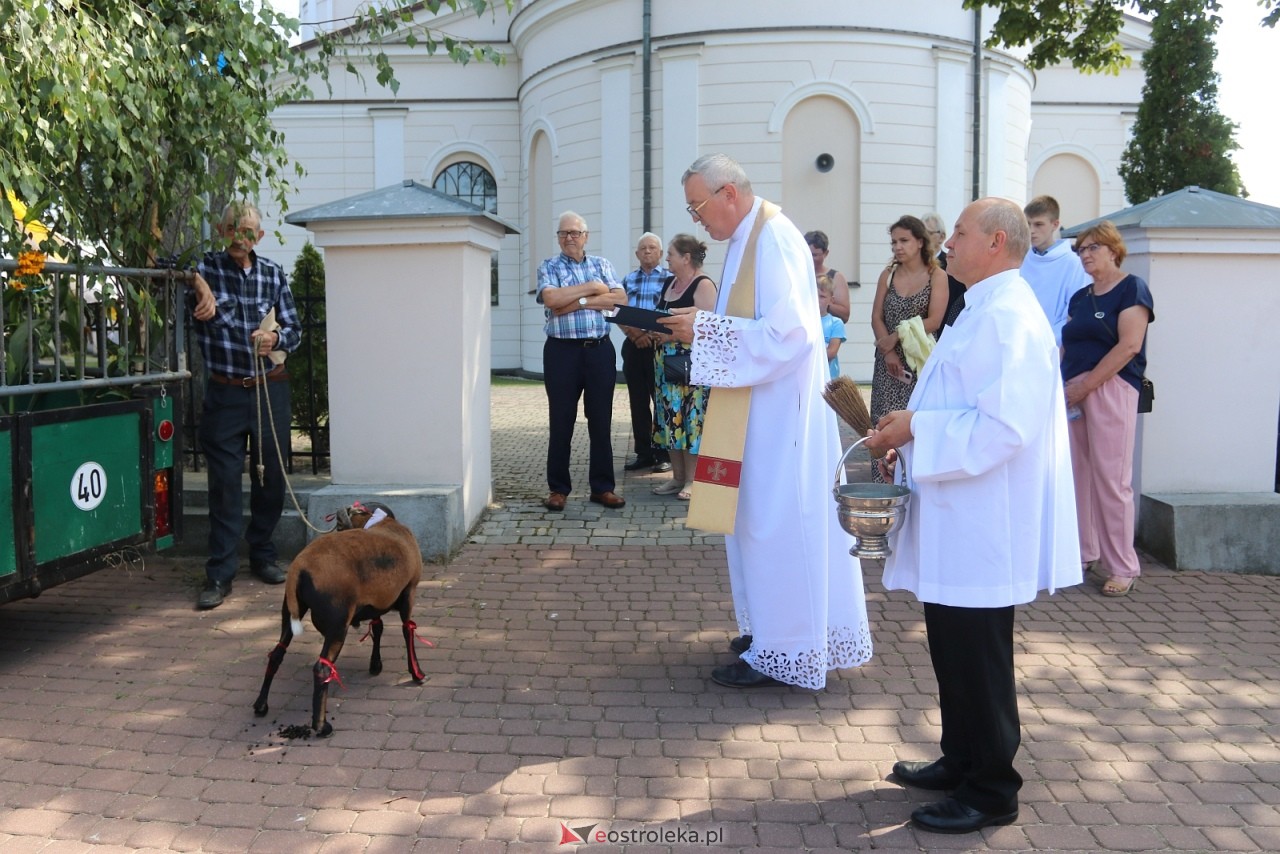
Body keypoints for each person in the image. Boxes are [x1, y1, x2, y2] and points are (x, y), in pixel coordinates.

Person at [865, 197, 1080, 834]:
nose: (947, 243)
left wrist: (916, 430)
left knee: (979, 658)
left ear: (996, 243)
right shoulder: (982, 306)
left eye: (959, 233)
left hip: (984, 519)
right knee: (952, 646)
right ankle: (961, 758)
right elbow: (954, 398)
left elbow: (1005, 427)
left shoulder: (1010, 316)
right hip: (958, 508)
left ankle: (991, 789)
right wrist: (908, 436)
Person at [659, 153, 872, 690]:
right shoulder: (745, 239)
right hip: (756, 411)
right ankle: (771, 634)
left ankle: (788, 648)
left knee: (779, 528)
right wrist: (703, 326)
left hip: (781, 420)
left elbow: (791, 335)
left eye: (698, 207)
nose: (696, 220)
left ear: (728, 193)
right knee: (754, 524)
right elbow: (753, 324)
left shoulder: (772, 238)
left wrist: (705, 331)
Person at [191, 201, 301, 610]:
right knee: (223, 485)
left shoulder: (273, 273)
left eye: (249, 230)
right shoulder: (205, 268)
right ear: (222, 230)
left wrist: (276, 339)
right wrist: (197, 283)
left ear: (259, 236)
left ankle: (263, 555)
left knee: (270, 479)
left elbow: (295, 329)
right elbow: (166, 266)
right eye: (234, 228)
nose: (241, 236)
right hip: (225, 393)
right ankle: (220, 573)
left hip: (269, 389)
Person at [1062, 220, 1154, 597]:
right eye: (1081, 250)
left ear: (1113, 250)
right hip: (1073, 393)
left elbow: (1129, 346)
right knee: (1079, 475)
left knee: (1112, 479)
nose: (1085, 255)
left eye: (1092, 248)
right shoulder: (1080, 297)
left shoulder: (1132, 288)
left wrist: (1087, 385)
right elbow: (1068, 342)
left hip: (1110, 387)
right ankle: (1086, 552)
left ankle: (1123, 566)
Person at [536, 211, 629, 512]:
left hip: (599, 351)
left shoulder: (602, 265)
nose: (569, 238)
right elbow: (552, 300)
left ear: (586, 236)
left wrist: (577, 302)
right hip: (562, 353)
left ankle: (603, 488)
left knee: (601, 420)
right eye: (563, 233)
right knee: (561, 420)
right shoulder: (548, 266)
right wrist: (593, 287)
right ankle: (558, 489)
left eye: (575, 233)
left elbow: (620, 300)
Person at [869, 215, 949, 478]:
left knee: (912, 425)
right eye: (894, 242)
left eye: (904, 240)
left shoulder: (937, 276)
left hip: (918, 364)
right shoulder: (888, 275)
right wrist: (889, 352)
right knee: (882, 425)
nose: (898, 247)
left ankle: (910, 484)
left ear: (920, 242)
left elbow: (934, 320)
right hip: (886, 363)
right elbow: (876, 317)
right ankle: (881, 488)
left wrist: (897, 337)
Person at [650, 234, 718, 500]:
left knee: (691, 421)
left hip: (692, 367)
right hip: (664, 365)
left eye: (671, 254)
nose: (666, 258)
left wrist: (670, 335)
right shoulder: (669, 283)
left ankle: (692, 480)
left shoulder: (703, 285)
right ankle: (677, 478)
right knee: (670, 419)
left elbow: (710, 328)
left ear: (686, 258)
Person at [618, 232, 673, 474]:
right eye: (643, 248)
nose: (648, 251)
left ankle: (663, 454)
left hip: (660, 346)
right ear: (637, 254)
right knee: (638, 402)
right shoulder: (627, 280)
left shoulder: (671, 280)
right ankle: (643, 453)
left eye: (652, 247)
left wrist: (651, 334)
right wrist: (634, 334)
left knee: (661, 401)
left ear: (660, 253)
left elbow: (673, 310)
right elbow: (616, 310)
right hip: (633, 346)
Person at [1020, 195, 1090, 344]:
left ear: (1055, 224)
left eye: (1039, 224)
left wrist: (1044, 342)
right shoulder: (1020, 259)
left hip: (1053, 346)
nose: (1031, 230)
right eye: (1028, 224)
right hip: (1020, 341)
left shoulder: (1073, 264)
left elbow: (1075, 312)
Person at [922, 212, 966, 335]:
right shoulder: (911, 267)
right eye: (920, 233)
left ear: (941, 237)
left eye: (928, 233)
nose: (922, 238)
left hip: (942, 335)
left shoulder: (953, 264)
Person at [804, 230, 851, 322]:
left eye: (814, 255)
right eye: (807, 254)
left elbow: (845, 315)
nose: (810, 259)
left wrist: (823, 303)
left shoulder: (836, 277)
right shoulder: (795, 275)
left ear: (826, 253)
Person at [817, 273, 846, 379]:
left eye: (822, 296)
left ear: (831, 300)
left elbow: (831, 352)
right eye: (814, 295)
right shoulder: (804, 322)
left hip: (829, 378)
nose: (817, 300)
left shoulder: (836, 323)